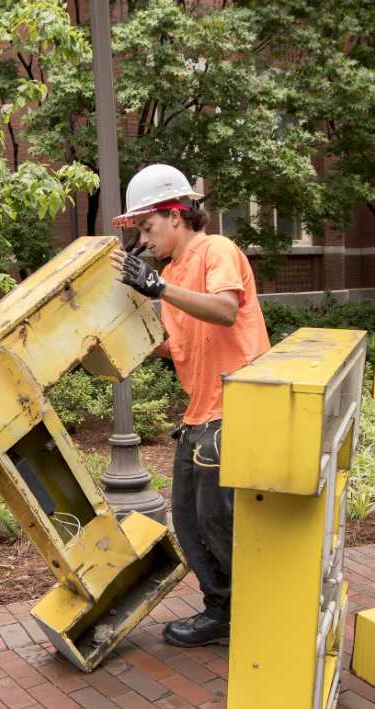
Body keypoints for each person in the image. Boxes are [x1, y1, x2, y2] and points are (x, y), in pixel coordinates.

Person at [110, 164, 270, 647]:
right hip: (200, 413)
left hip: (236, 406)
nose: (143, 238)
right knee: (189, 517)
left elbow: (224, 311)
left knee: (220, 521)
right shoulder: (175, 272)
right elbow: (174, 343)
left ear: (177, 214)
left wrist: (157, 289)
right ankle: (222, 610)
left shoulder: (215, 250)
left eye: (147, 225)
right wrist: (113, 333)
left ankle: (251, 611)